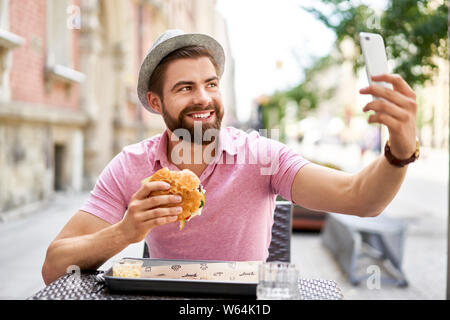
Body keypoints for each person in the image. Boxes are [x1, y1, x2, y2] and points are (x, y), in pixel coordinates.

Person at [42, 30, 419, 285]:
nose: (203, 98)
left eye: (210, 84)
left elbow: (360, 198)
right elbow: (54, 266)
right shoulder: (131, 165)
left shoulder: (261, 155)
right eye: (185, 87)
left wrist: (400, 150)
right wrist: (125, 231)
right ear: (156, 103)